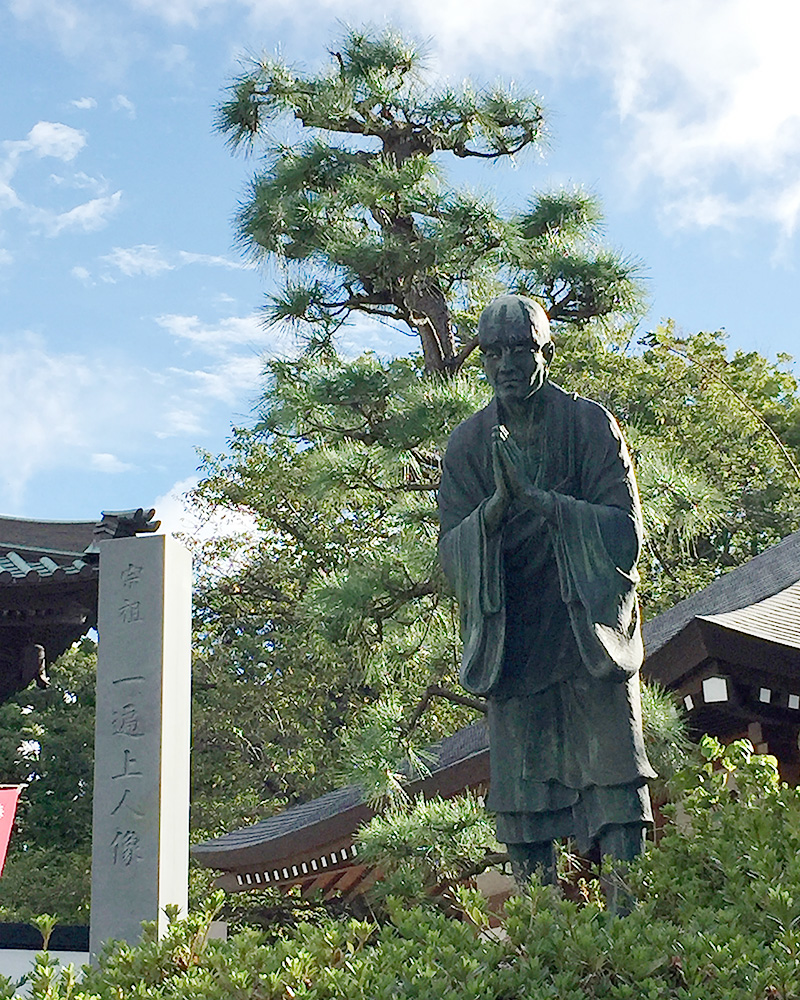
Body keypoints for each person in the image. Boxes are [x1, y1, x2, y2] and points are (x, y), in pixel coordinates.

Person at [438, 294, 654, 891]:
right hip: (515, 634)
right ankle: (542, 930)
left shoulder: (589, 425)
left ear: (547, 351)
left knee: (616, 779)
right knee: (523, 800)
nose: (506, 363)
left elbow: (625, 530)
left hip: (588, 626)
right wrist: (494, 515)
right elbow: (450, 553)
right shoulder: (467, 445)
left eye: (521, 349)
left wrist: (548, 506)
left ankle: (628, 920)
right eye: (493, 351)